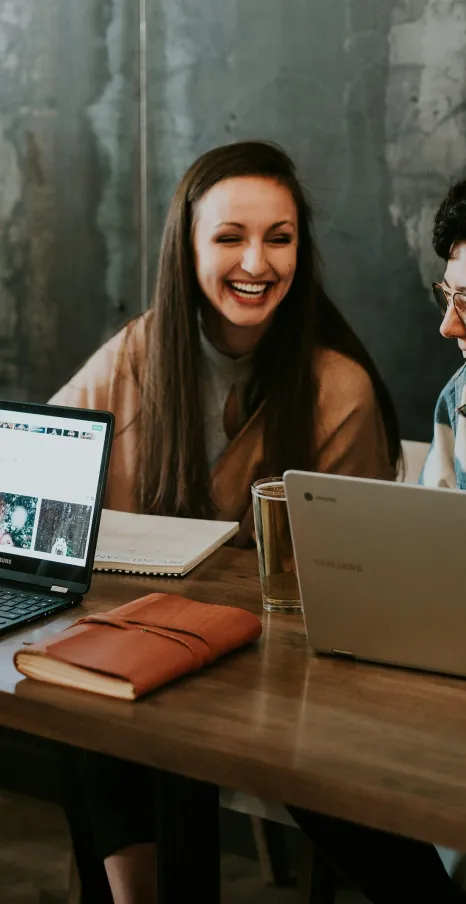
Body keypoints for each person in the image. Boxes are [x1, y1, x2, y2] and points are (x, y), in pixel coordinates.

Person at [51, 140, 400, 904]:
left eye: (280, 238)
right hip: (148, 649)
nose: (258, 262)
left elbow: (354, 581)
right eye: (230, 237)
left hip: (280, 676)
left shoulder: (337, 388)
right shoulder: (142, 350)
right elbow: (47, 463)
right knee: (83, 693)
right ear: (188, 248)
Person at [291, 157, 466, 903]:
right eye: (448, 298)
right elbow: (425, 569)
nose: (449, 326)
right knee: (311, 770)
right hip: (465, 702)